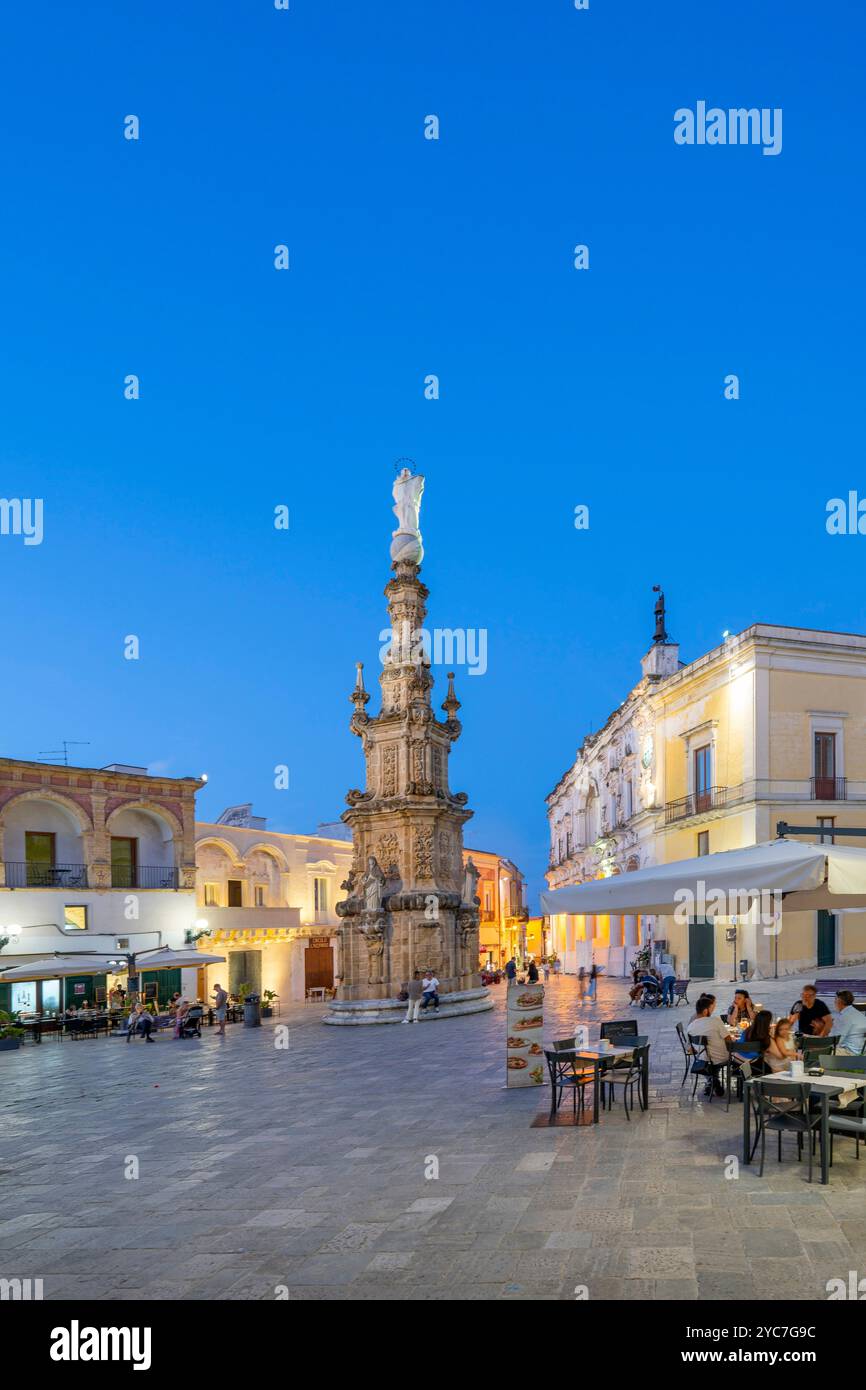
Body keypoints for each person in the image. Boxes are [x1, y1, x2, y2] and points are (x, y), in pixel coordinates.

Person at [687, 993, 729, 1097]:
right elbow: (729, 1040)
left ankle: (712, 1080)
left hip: (701, 1059)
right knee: (736, 1054)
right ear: (706, 1010)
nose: (713, 1010)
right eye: (712, 1008)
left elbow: (690, 1047)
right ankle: (715, 1080)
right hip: (720, 1058)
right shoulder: (715, 1021)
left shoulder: (691, 1026)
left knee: (711, 1055)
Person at [832, 990, 866, 1055]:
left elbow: (835, 1041)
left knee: (813, 1053)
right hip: (861, 1053)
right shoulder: (861, 1015)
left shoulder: (843, 1017)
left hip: (848, 1053)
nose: (834, 1002)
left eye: (835, 999)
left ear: (840, 1001)